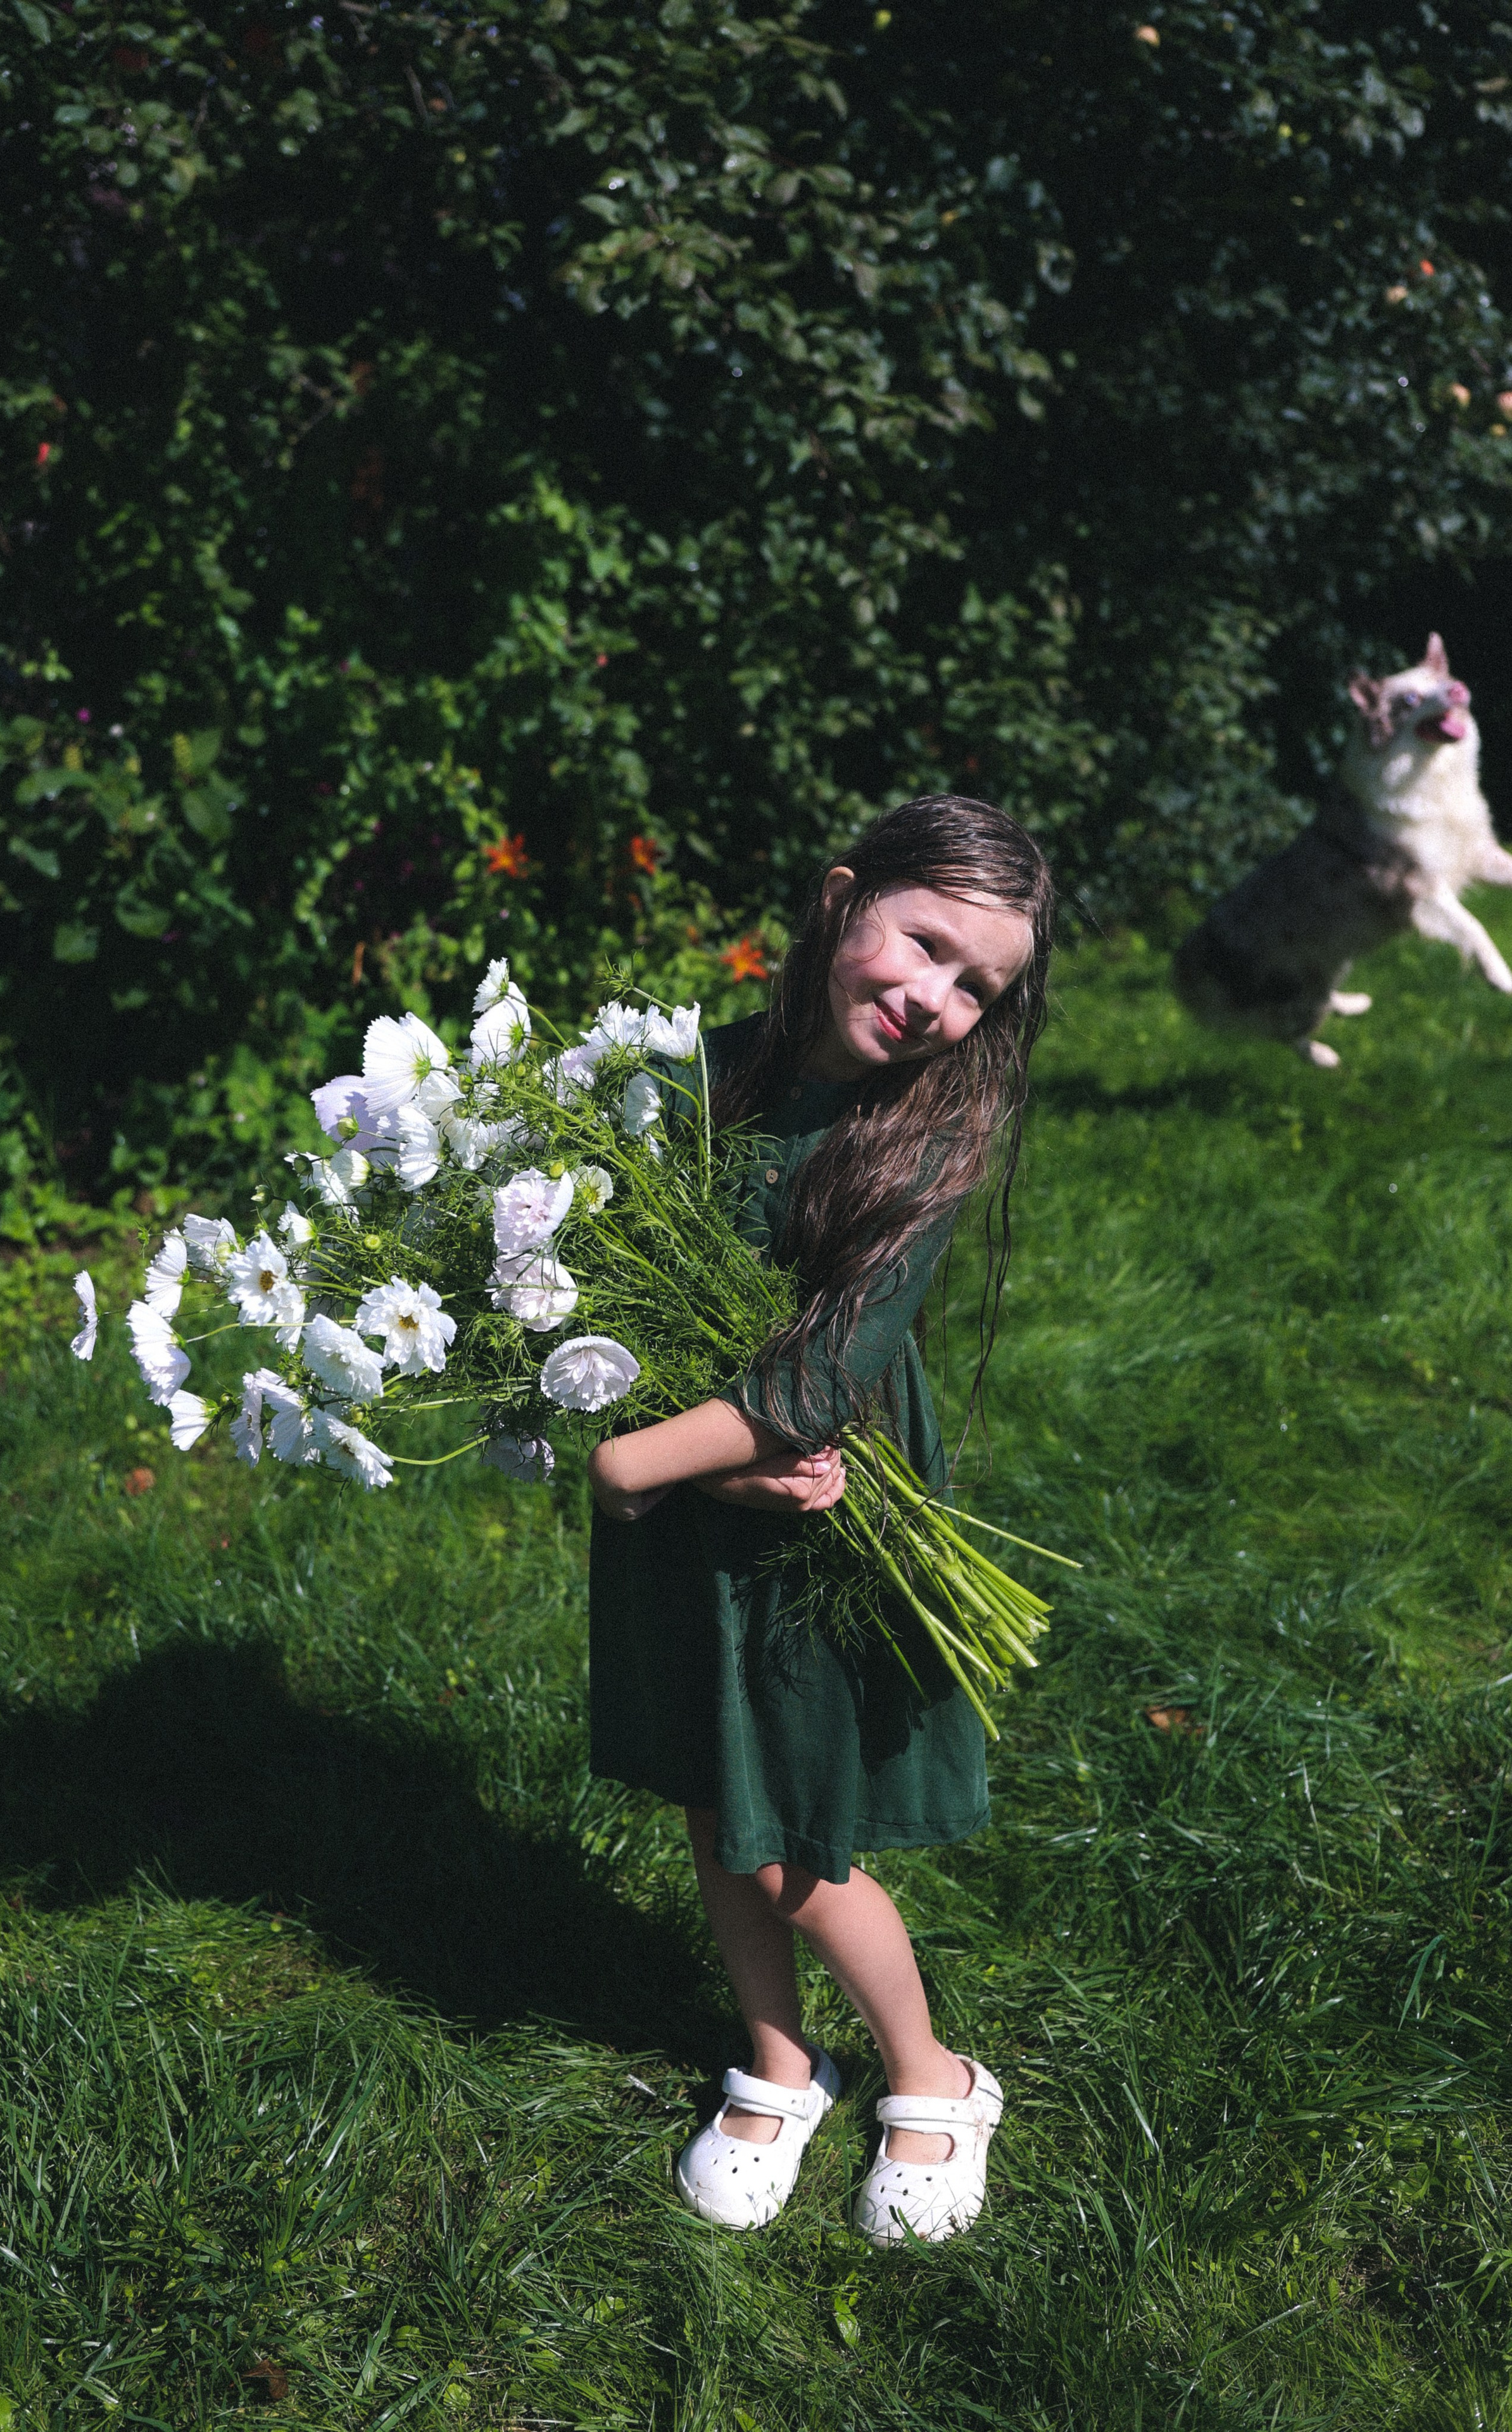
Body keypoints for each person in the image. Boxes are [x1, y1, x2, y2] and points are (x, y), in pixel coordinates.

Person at [586, 793, 1054, 2246]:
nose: (934, 999)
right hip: (695, 1490)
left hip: (809, 1514)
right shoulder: (697, 1079)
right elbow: (612, 1279)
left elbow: (820, 1374)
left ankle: (932, 2073)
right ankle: (780, 2061)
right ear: (841, 900)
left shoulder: (922, 1141)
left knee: (794, 1829)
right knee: (712, 1795)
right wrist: (676, 1462)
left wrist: (626, 1467)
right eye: (921, 946)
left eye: (975, 987)